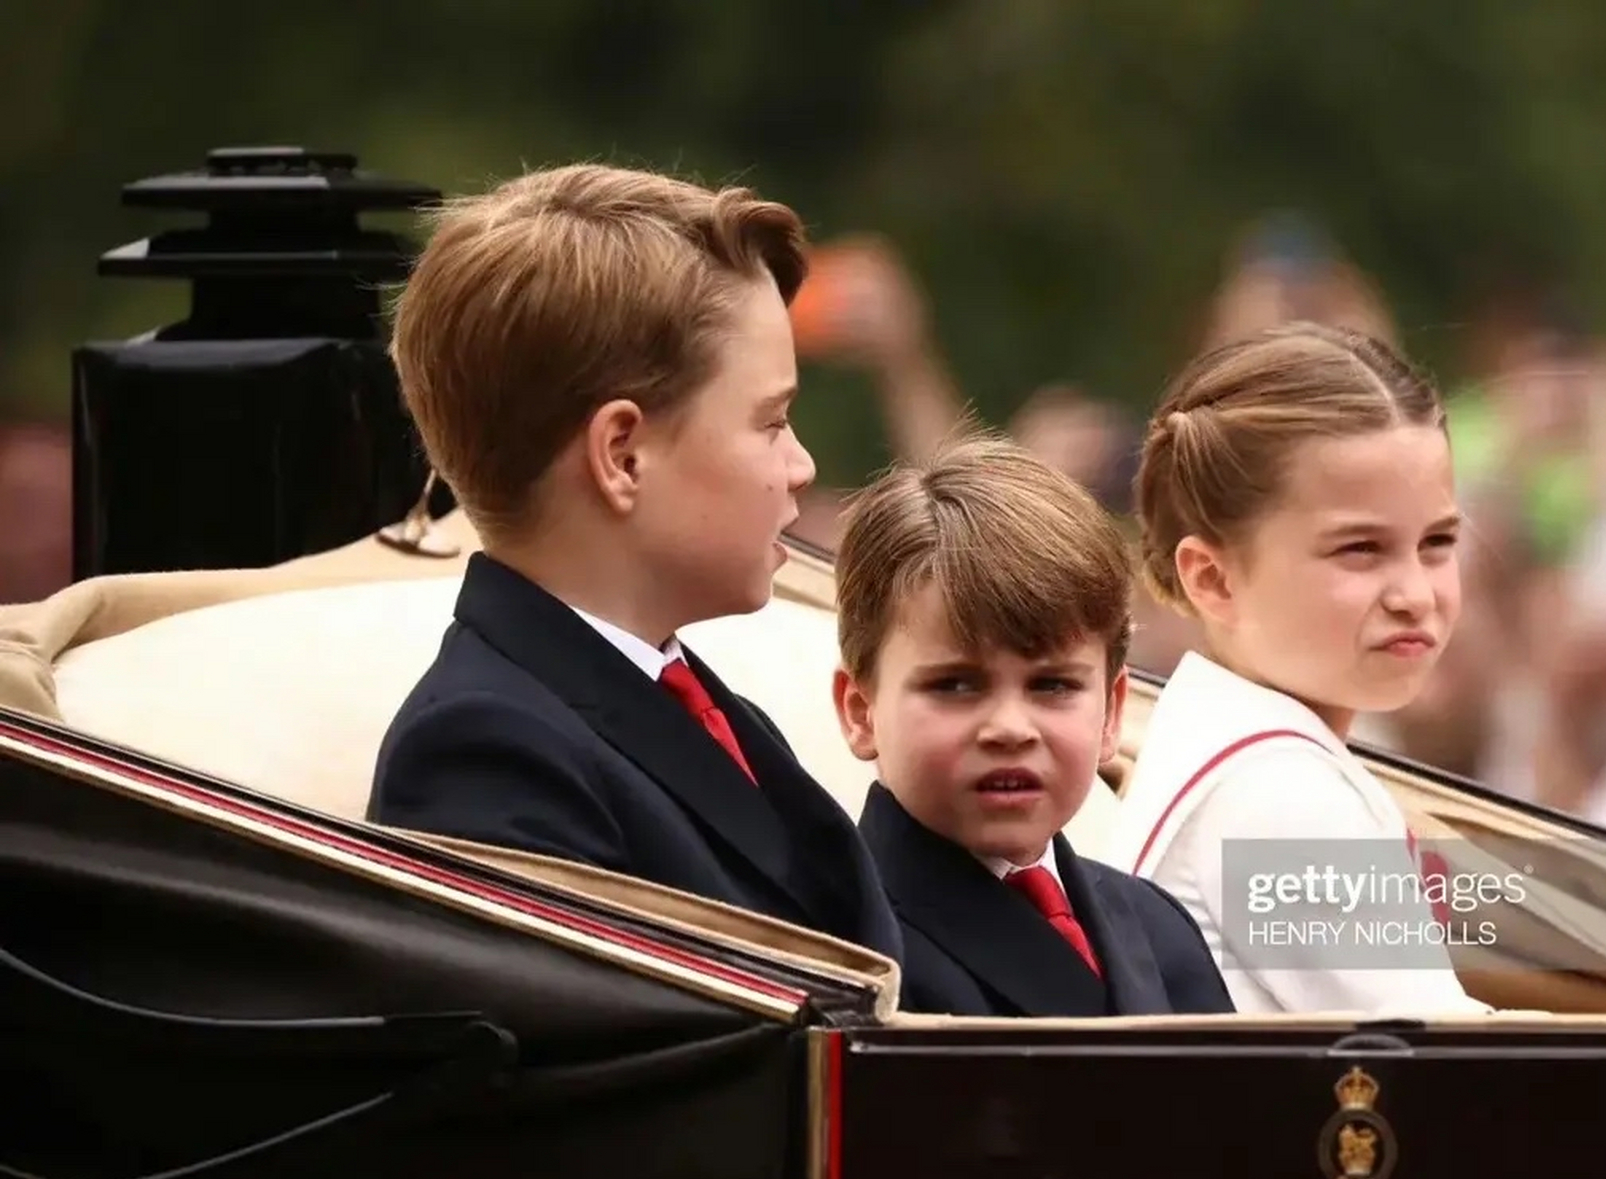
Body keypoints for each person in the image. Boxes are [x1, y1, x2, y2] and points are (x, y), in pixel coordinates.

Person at [367, 163, 902, 962]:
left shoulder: (695, 705)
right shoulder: (486, 759)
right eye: (771, 422)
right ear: (622, 455)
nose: (801, 465)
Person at [1109, 322, 1491, 1016]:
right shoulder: (1278, 794)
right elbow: (1460, 1074)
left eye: (1437, 543)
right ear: (1214, 579)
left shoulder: (1235, 748)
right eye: (1360, 550)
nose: (1414, 595)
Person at [830, 435, 1234, 1017]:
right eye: (955, 686)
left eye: (1053, 686)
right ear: (860, 710)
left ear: (1111, 713)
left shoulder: (1156, 924)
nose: (1010, 728)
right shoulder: (846, 949)